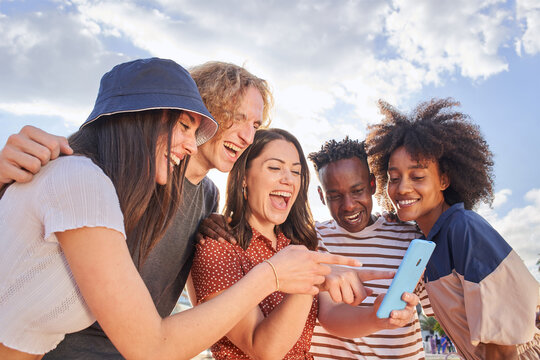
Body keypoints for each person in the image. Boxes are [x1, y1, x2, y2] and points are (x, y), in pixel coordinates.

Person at [0, 58, 359, 360]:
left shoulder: (207, 199)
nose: (249, 137)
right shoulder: (124, 174)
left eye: (256, 125)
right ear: (199, 106)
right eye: (236, 117)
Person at [190, 129, 419, 359]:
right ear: (243, 177)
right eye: (274, 167)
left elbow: (331, 314)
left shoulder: (301, 243)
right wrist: (310, 278)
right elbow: (264, 349)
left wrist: (376, 316)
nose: (288, 179)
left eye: (296, 171)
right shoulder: (217, 248)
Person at [365, 98, 540, 360]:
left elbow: (501, 346)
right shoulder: (431, 240)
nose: (402, 188)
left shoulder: (463, 229)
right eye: (393, 177)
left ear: (444, 180)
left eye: (418, 176)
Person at [307, 137, 432, 360]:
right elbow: (328, 314)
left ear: (372, 184)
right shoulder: (312, 238)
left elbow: (449, 312)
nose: (349, 205)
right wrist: (376, 317)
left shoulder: (410, 238)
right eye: (334, 196)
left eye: (357, 191)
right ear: (321, 196)